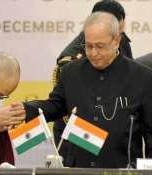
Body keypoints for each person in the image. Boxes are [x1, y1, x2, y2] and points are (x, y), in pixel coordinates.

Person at [21, 12, 152, 168]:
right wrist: (26, 109)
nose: (93, 53)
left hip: (122, 169)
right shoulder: (70, 71)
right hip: (77, 167)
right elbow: (55, 105)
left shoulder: (142, 77)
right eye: (88, 46)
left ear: (117, 41)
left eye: (100, 46)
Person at [53, 0, 133, 154]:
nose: (119, 37)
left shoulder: (120, 41)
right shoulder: (70, 61)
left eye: (120, 32)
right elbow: (69, 113)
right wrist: (100, 146)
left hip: (112, 138)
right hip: (80, 140)